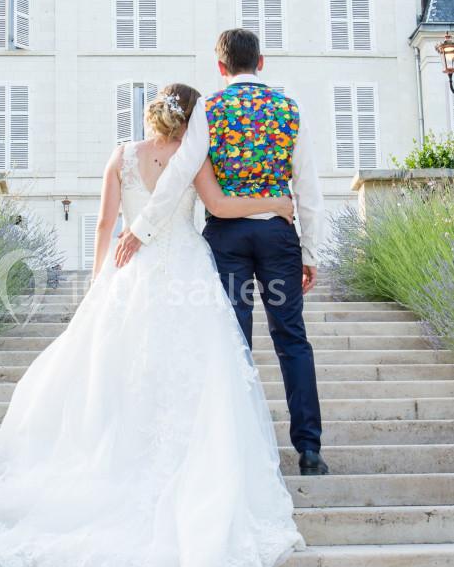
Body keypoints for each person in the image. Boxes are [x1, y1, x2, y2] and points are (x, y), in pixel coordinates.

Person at [0, 81, 304, 567]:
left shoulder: (123, 155)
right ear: (191, 120)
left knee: (119, 370)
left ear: (154, 112)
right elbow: (222, 209)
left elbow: (106, 223)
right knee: (192, 371)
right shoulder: (192, 156)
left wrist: (97, 283)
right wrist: (278, 200)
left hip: (130, 269)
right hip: (184, 268)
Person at [116, 27, 327, 476]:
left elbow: (179, 174)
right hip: (277, 235)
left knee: (234, 341)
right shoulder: (290, 109)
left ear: (220, 67)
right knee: (292, 340)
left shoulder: (210, 109)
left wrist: (141, 228)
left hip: (226, 239)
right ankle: (309, 450)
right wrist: (310, 251)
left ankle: (241, 449)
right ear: (261, 62)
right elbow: (307, 187)